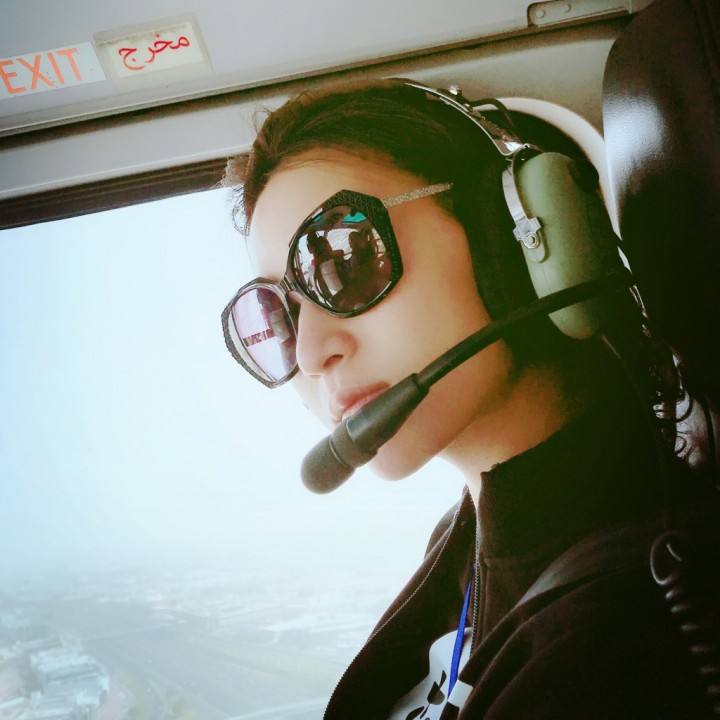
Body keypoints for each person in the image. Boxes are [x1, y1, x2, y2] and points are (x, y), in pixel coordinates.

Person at [221, 79, 720, 718]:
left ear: (507, 237)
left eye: (342, 259)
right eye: (279, 314)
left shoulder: (617, 643)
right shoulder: (469, 538)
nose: (313, 351)